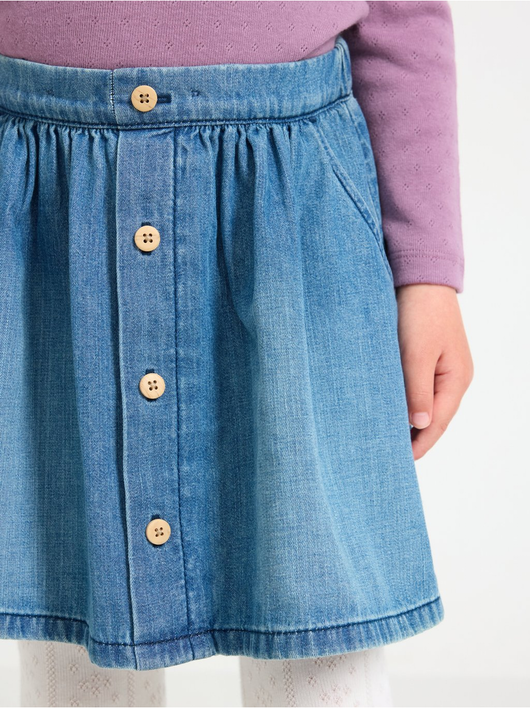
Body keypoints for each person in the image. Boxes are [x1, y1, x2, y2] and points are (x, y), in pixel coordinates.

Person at [0, 2, 473, 707]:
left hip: (293, 213)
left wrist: (427, 274)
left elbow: (403, 17)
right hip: (41, 203)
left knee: (320, 613)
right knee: (66, 612)